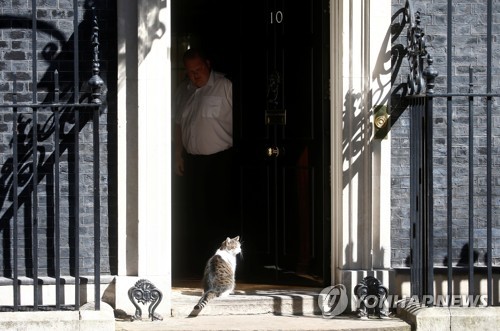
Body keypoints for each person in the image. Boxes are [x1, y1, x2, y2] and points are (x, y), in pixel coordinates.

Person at [173, 48, 237, 276]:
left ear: (208, 63)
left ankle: (222, 268)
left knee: (218, 214)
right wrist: (177, 154)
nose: (195, 75)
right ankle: (195, 266)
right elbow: (178, 125)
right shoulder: (183, 90)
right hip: (192, 162)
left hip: (221, 161)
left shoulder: (226, 87)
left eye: (198, 69)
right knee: (193, 214)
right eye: (190, 72)